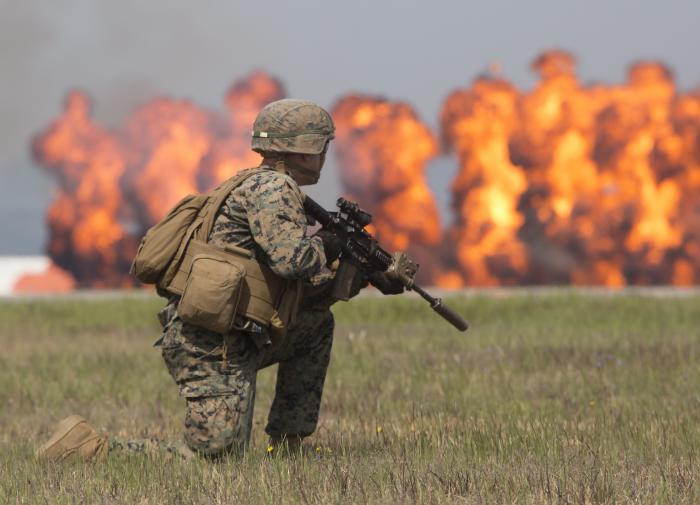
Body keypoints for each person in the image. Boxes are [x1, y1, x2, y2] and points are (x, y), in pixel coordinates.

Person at [38, 99, 402, 461]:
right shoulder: (274, 190)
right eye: (322, 146)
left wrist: (365, 276)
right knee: (214, 457)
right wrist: (328, 244)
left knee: (315, 326)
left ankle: (289, 447)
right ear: (304, 150)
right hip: (210, 345)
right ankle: (86, 448)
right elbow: (293, 262)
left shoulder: (259, 184)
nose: (325, 155)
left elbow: (298, 292)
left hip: (238, 334)